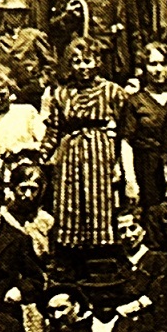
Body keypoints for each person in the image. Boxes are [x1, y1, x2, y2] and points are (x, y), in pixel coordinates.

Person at [41, 37, 127, 267]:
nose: (82, 67)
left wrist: (119, 163)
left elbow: (122, 131)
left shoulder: (113, 92)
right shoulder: (61, 94)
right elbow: (54, 129)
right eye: (77, 62)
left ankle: (102, 258)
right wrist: (42, 154)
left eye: (87, 61)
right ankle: (72, 259)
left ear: (98, 62)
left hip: (101, 153)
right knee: (71, 201)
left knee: (100, 200)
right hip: (70, 153)